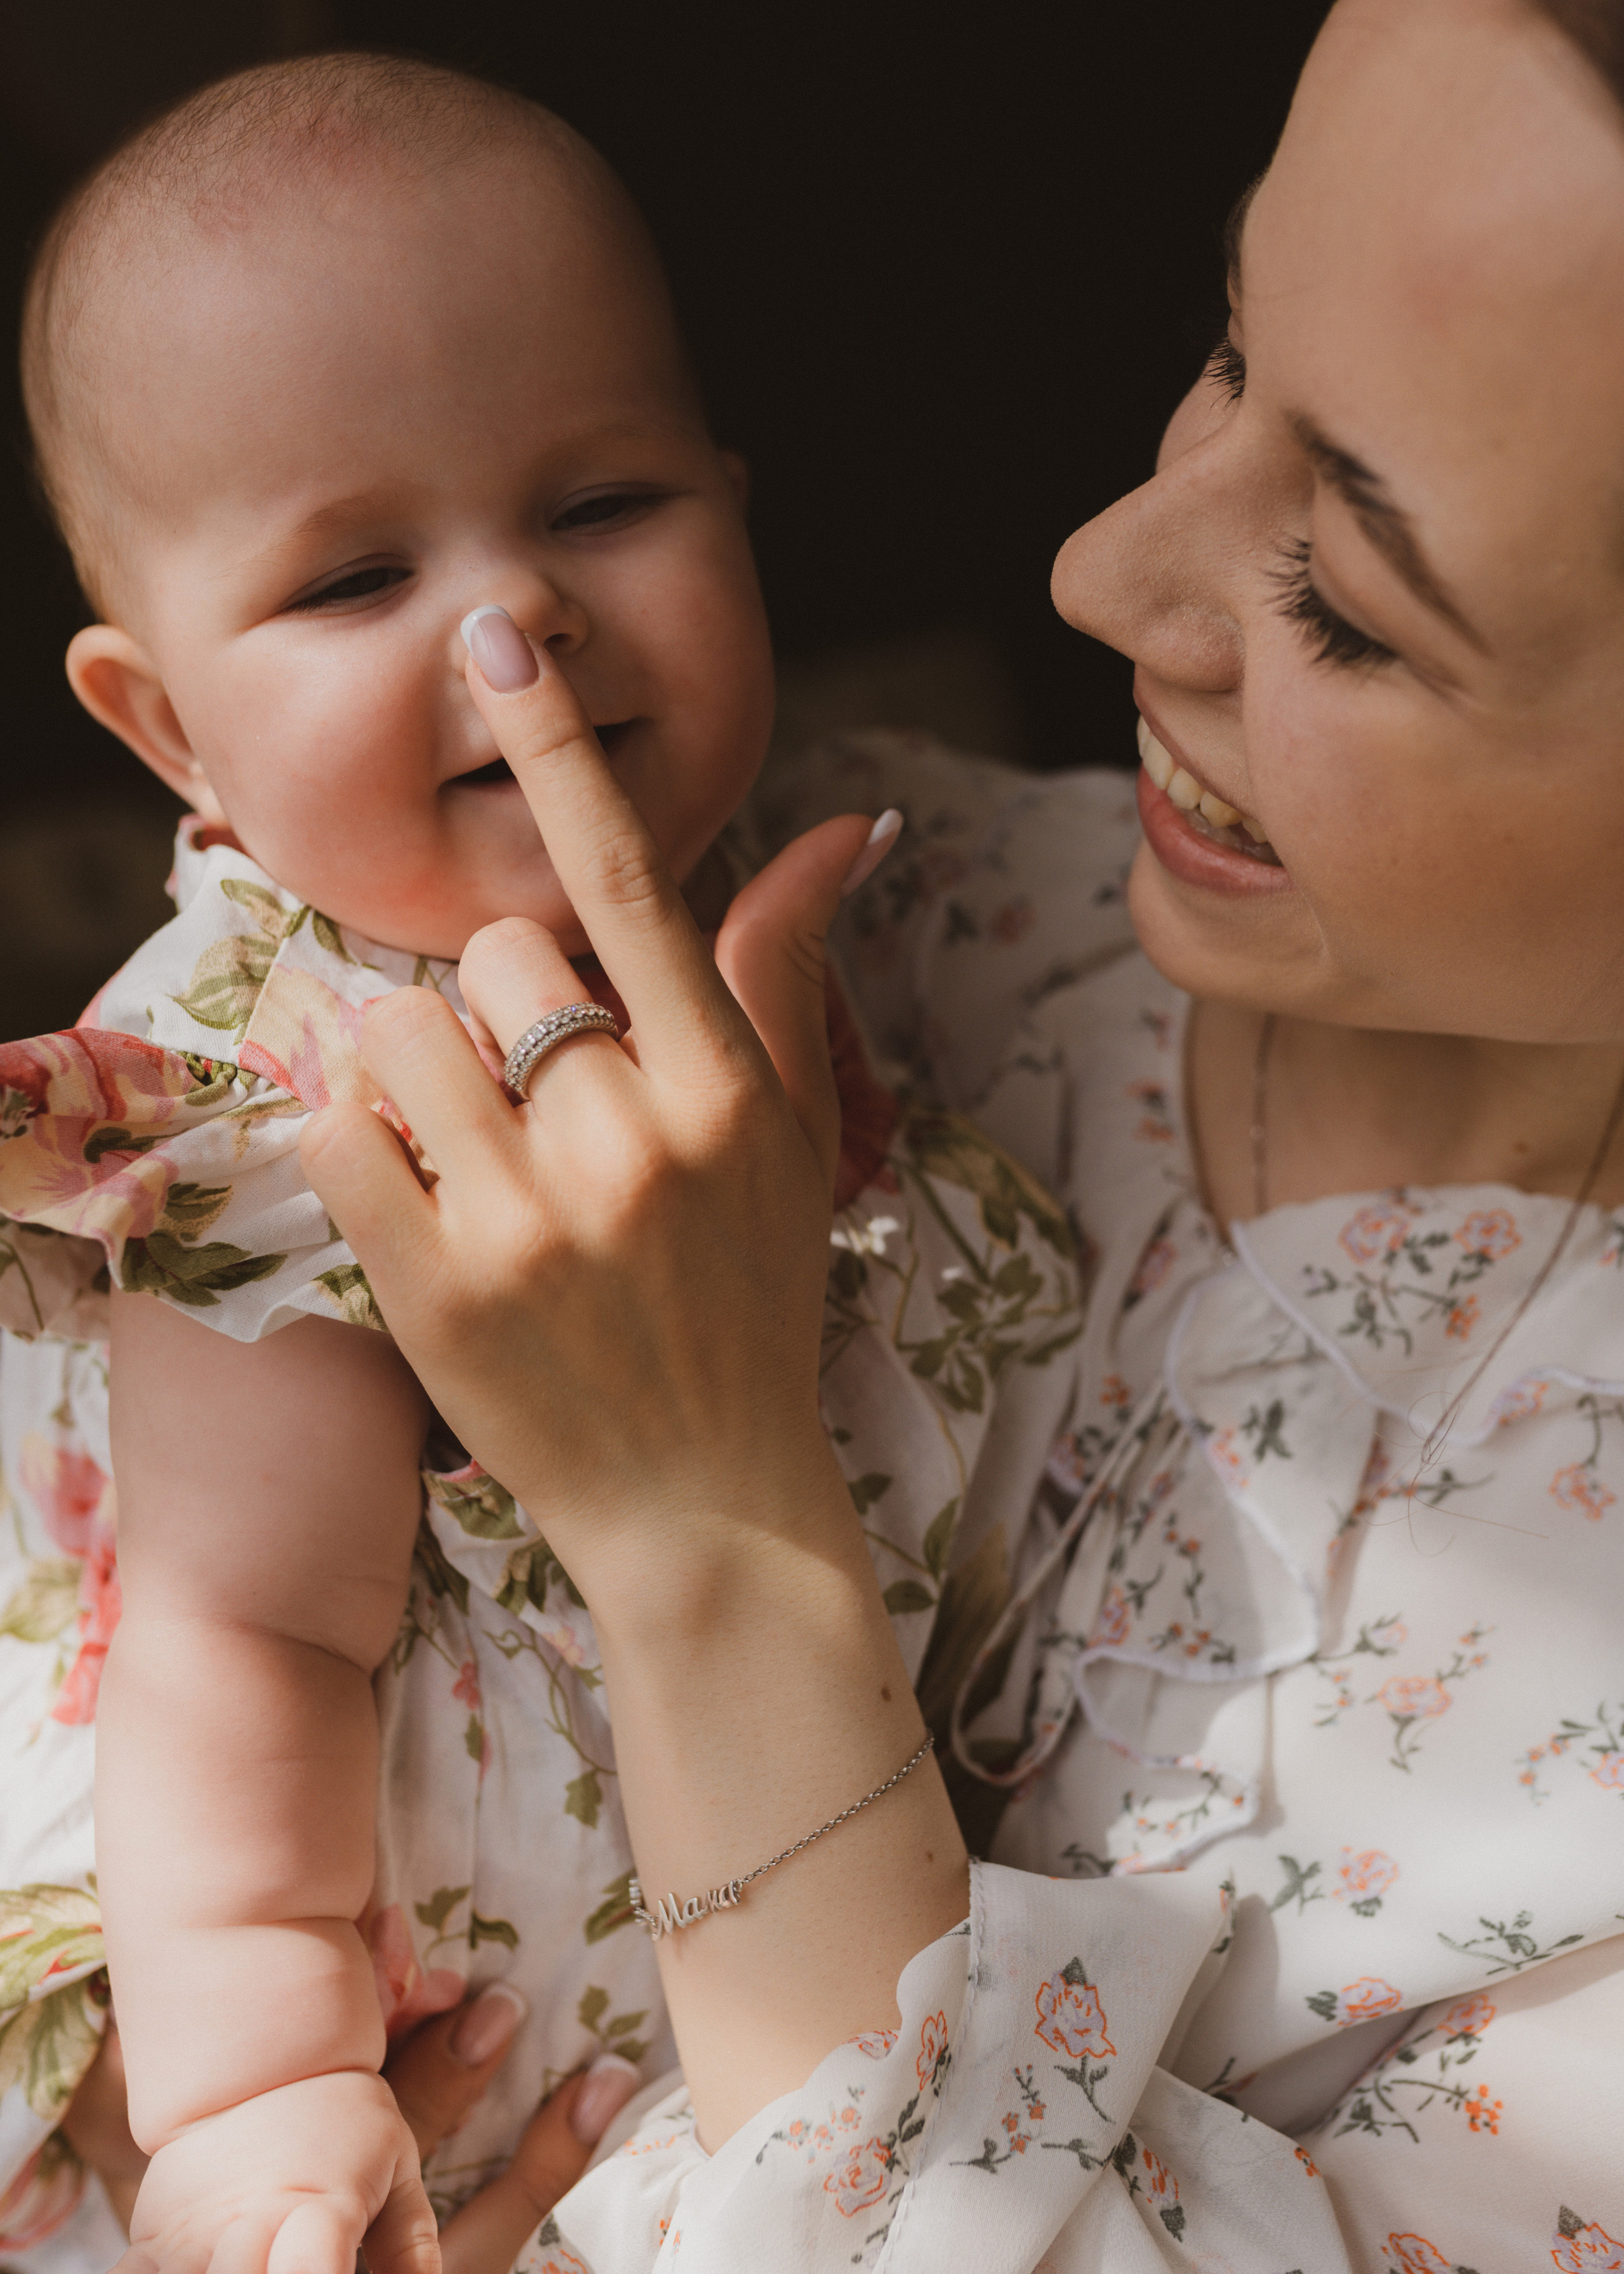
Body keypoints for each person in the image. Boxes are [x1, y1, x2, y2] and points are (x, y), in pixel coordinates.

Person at [285, 0, 1624, 2265]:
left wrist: (708, 1528)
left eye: (1345, 603)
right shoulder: (873, 915)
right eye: (1229, 349)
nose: (1095, 573)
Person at [0, 54, 1082, 2273]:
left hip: (770, 2000)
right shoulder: (286, 1088)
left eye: (601, 505)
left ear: (738, 508)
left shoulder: (838, 885)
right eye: (358, 574)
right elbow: (240, 1636)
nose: (519, 623)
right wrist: (262, 2094)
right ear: (172, 726)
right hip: (378, 2032)